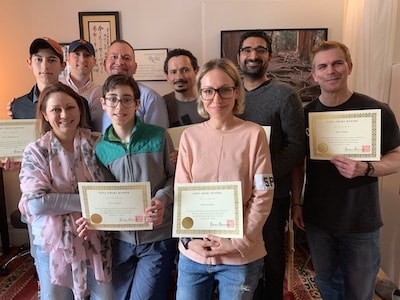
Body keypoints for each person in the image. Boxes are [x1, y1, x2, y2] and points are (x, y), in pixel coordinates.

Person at [292, 40, 400, 299]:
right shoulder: (306, 115)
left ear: (349, 67)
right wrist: (297, 204)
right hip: (319, 220)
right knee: (328, 283)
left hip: (361, 220)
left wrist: (367, 168)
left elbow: (397, 157)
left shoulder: (377, 111)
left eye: (337, 63)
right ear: (314, 74)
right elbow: (298, 164)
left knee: (360, 289)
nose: (331, 71)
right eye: (323, 66)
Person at [175, 58, 274, 300]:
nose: (216, 99)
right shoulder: (190, 137)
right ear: (200, 94)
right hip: (195, 255)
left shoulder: (254, 134)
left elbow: (263, 193)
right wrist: (189, 241)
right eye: (208, 91)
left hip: (240, 255)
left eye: (225, 90)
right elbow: (182, 193)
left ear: (236, 91)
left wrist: (238, 242)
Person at [18, 83, 114, 299]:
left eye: (70, 107)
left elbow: (115, 190)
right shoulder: (35, 151)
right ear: (45, 114)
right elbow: (36, 203)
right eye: (55, 109)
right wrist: (89, 201)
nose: (64, 115)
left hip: (96, 235)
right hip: (54, 244)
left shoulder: (99, 142)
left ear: (80, 109)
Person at [86, 74, 176, 299]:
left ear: (137, 104)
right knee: (120, 295)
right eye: (113, 99)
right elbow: (103, 192)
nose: (119, 106)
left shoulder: (158, 136)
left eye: (127, 99)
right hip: (119, 241)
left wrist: (162, 199)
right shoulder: (101, 148)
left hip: (157, 237)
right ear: (103, 103)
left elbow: (176, 178)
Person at [236, 30, 305, 299]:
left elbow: (296, 146)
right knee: (241, 256)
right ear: (239, 56)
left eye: (261, 50)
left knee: (272, 256)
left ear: (270, 56)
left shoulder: (285, 95)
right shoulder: (229, 95)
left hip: (273, 195)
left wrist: (261, 176)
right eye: (248, 50)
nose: (254, 55)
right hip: (235, 196)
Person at [10, 37, 93, 127]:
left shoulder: (78, 102)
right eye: (39, 59)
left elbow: (87, 137)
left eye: (51, 60)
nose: (45, 66)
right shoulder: (18, 106)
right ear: (29, 63)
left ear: (62, 66)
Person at [100, 40, 169, 131]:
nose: (120, 62)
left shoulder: (150, 98)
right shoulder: (95, 96)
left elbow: (159, 138)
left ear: (135, 67)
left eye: (126, 58)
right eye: (113, 57)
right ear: (105, 64)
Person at [60, 39, 103, 132]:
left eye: (87, 55)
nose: (82, 59)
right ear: (68, 59)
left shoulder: (100, 92)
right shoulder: (58, 88)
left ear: (94, 61)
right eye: (77, 54)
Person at [163, 48, 206, 127]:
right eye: (173, 72)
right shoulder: (161, 104)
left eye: (185, 70)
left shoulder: (209, 101)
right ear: (167, 77)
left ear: (196, 72)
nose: (179, 77)